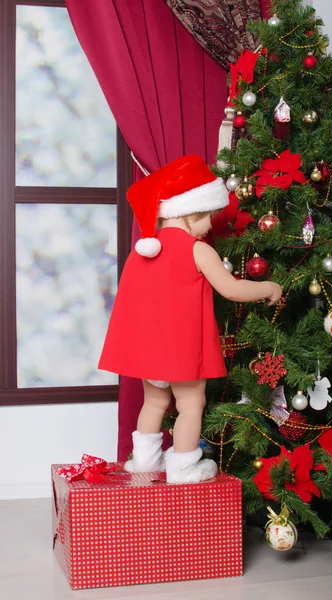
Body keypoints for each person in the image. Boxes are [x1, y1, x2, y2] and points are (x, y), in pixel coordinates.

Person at [98, 155, 283, 484]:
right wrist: (268, 287)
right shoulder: (198, 250)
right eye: (209, 215)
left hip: (149, 351)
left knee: (154, 403)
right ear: (189, 212)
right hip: (182, 349)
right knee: (190, 404)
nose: (212, 223)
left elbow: (131, 305)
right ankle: (183, 467)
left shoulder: (143, 250)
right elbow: (231, 289)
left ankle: (144, 462)